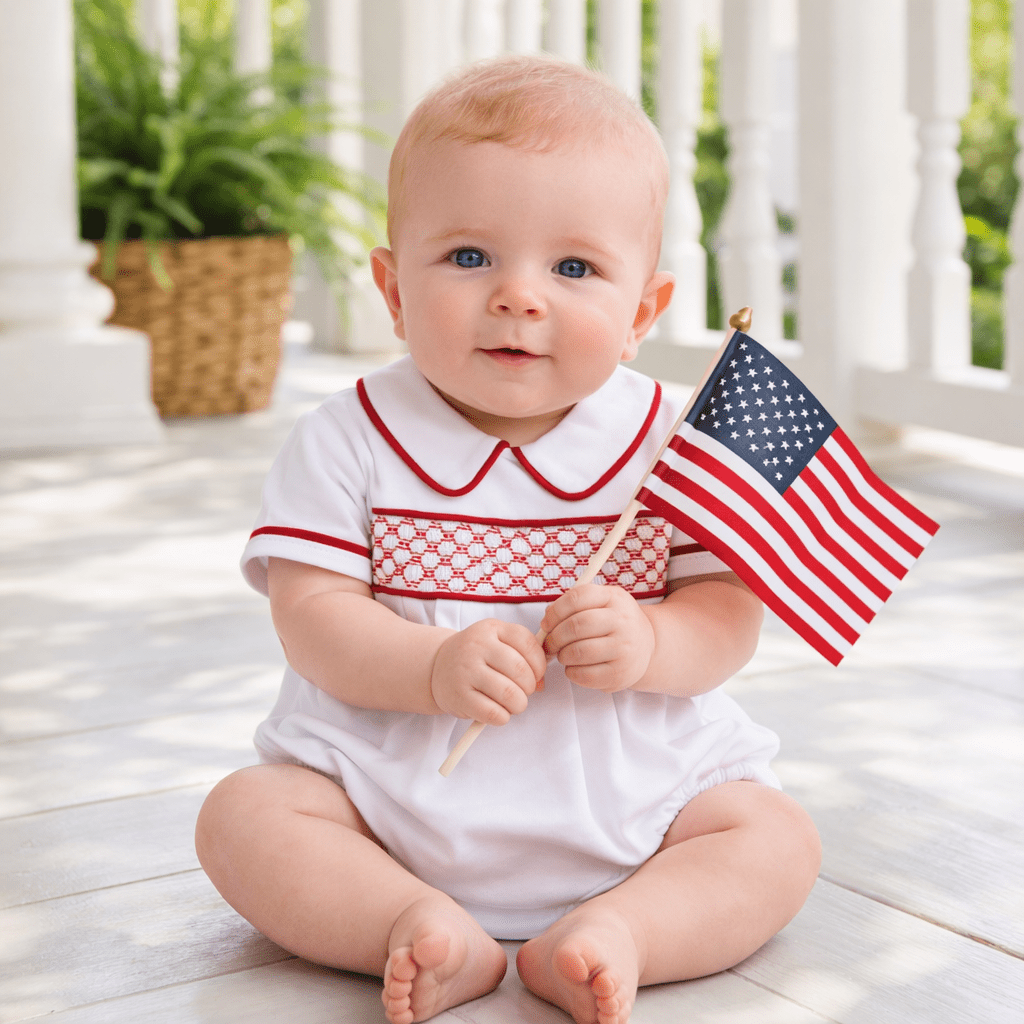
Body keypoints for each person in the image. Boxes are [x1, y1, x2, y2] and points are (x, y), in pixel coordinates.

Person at [195, 55, 821, 1024]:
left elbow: (727, 616)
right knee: (246, 817)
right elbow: (312, 616)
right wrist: (432, 664)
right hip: (387, 797)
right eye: (469, 256)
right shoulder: (348, 434)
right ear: (393, 287)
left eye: (573, 268)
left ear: (641, 313)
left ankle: (623, 929)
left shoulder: (679, 441)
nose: (519, 296)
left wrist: (654, 642)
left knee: (773, 835)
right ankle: (413, 920)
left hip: (640, 795)